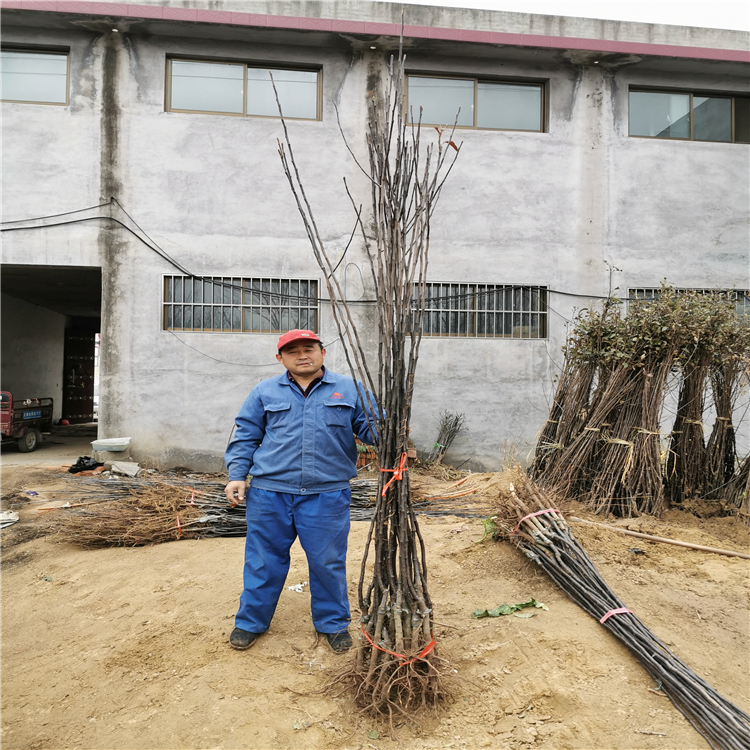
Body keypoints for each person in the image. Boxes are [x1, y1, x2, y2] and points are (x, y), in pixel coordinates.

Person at [224, 329, 377, 653]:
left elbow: (371, 430)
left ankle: (333, 624)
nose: (302, 355)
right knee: (263, 561)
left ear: (322, 353)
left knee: (327, 561)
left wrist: (387, 425)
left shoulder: (349, 389)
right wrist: (237, 475)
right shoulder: (265, 391)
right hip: (269, 493)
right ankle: (250, 622)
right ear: (281, 359)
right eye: (293, 351)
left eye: (309, 348)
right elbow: (246, 435)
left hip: (326, 494)